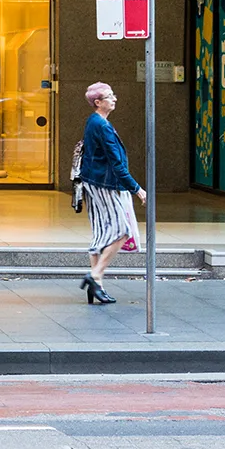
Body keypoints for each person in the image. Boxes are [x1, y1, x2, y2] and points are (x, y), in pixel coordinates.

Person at [78, 82, 147, 305]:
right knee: (122, 231)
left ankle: (96, 287)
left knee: (100, 233)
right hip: (104, 185)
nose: (114, 98)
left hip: (91, 182)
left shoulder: (93, 121)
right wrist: (136, 188)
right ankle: (96, 275)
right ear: (98, 102)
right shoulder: (103, 126)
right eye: (109, 96)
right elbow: (117, 164)